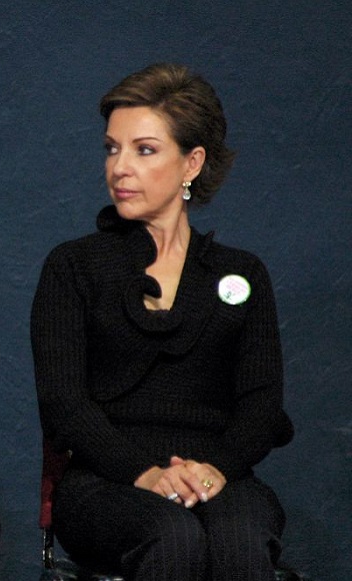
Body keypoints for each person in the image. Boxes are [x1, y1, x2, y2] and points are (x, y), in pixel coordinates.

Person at [31, 62, 294, 580]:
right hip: (106, 481)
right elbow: (65, 405)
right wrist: (145, 474)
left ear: (192, 163)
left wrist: (215, 470)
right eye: (112, 149)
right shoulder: (73, 267)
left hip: (218, 475)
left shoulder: (242, 274)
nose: (119, 168)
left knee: (240, 539)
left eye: (144, 150)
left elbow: (261, 406)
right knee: (173, 536)